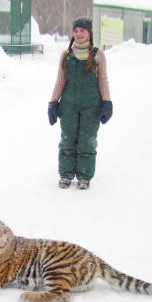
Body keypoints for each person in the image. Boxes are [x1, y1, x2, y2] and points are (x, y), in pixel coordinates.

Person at [48, 17, 113, 190]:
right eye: (75, 31)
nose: (78, 34)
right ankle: (66, 174)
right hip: (68, 104)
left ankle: (84, 175)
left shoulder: (98, 55)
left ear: (89, 33)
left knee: (87, 140)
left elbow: (103, 81)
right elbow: (60, 81)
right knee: (67, 139)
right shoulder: (66, 55)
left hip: (91, 105)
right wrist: (53, 103)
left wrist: (107, 102)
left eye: (82, 31)